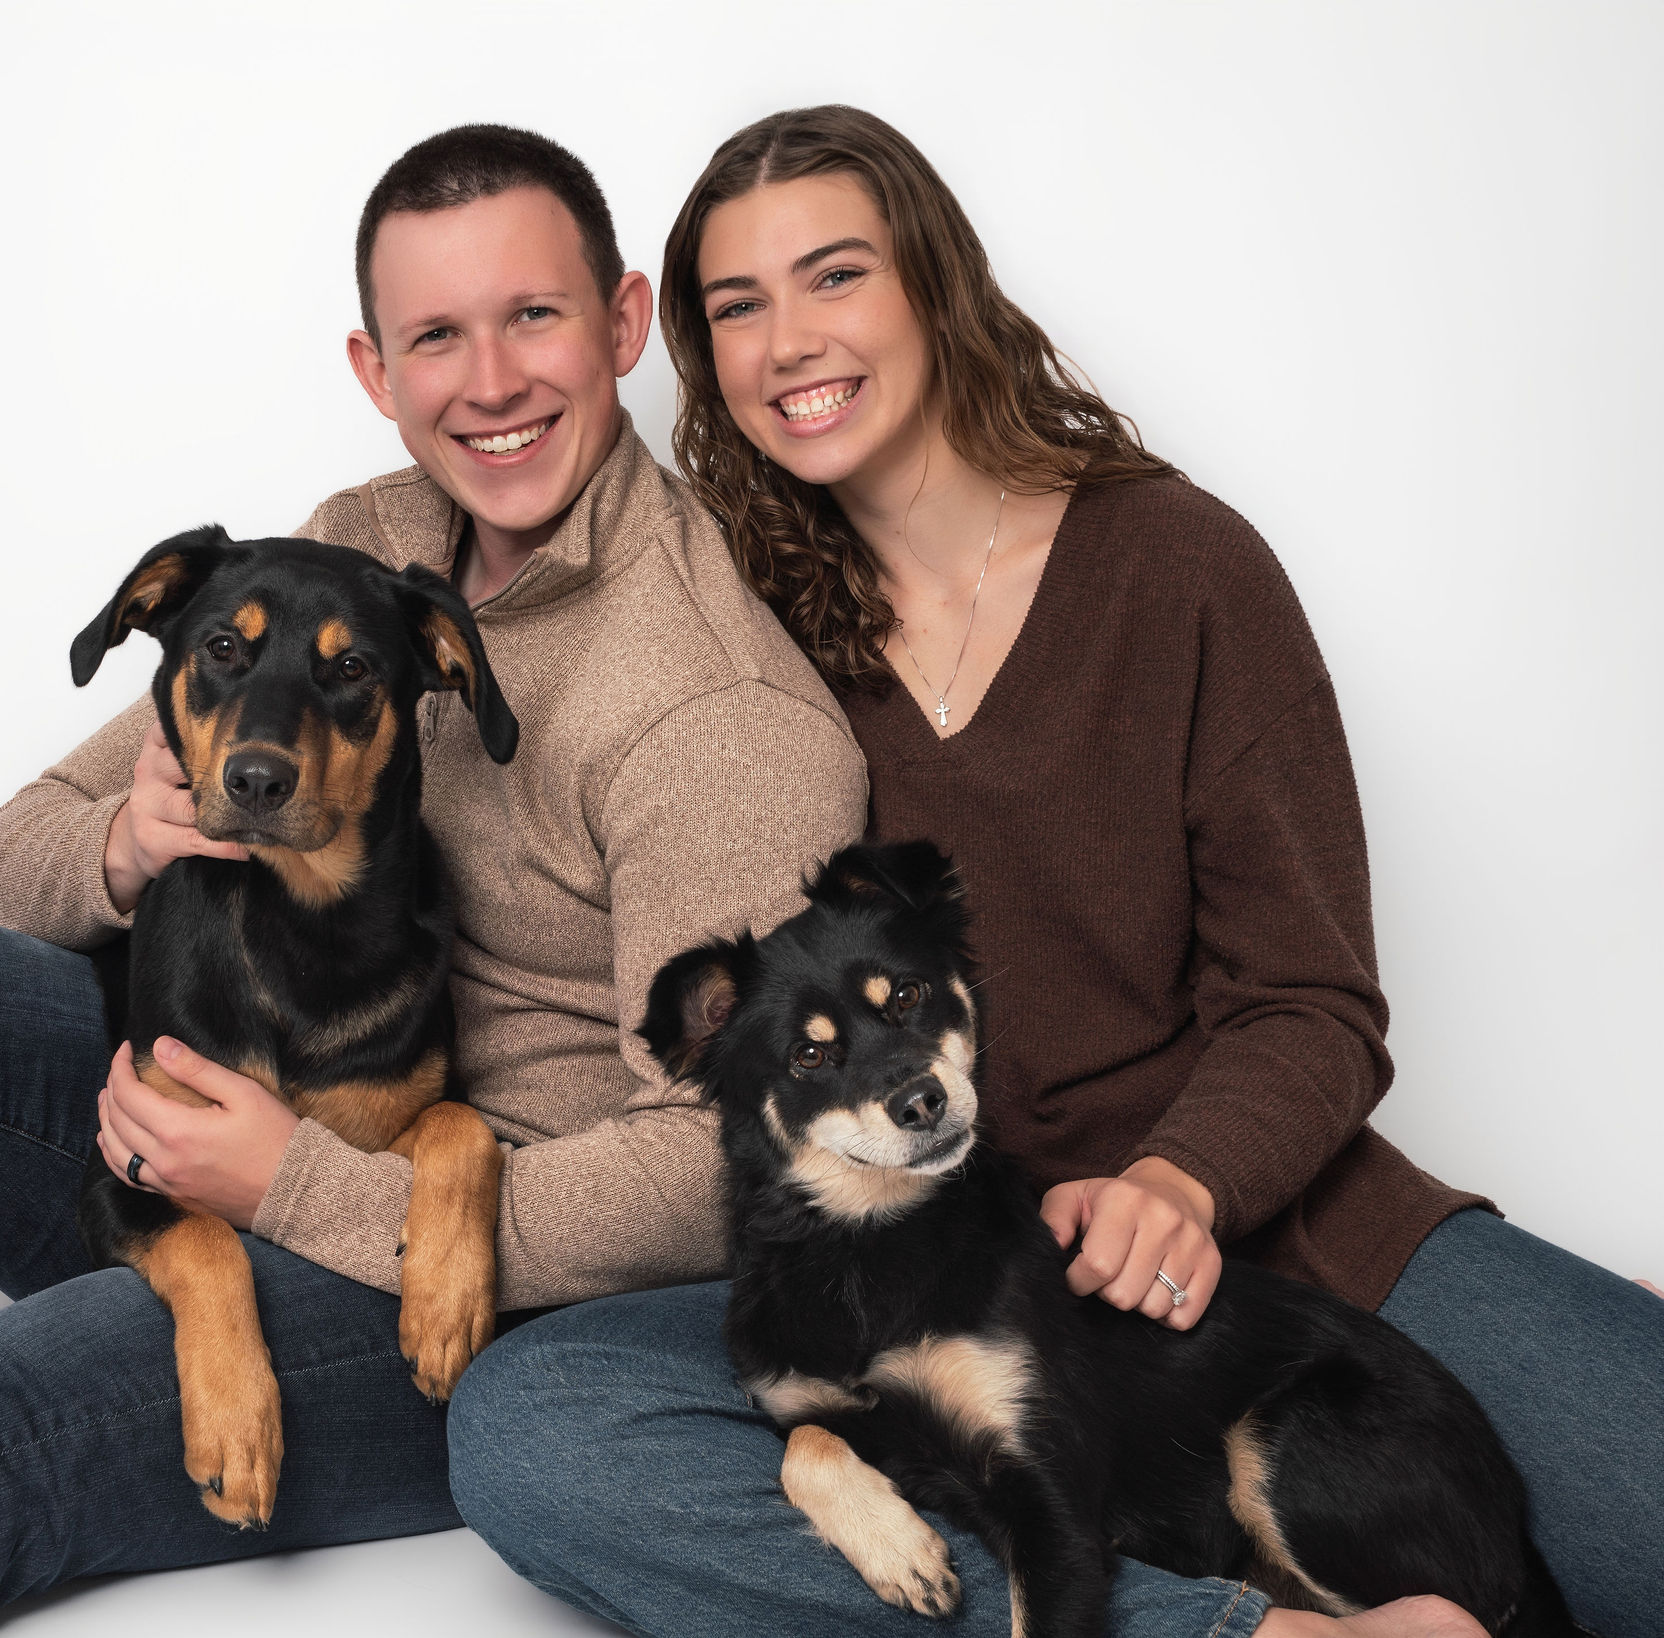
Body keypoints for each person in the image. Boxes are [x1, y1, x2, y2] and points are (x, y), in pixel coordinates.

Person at [0, 124, 865, 1637]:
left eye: (532, 317)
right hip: (223, 1102)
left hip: (475, 1292)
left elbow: (715, 1169)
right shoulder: (364, 541)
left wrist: (295, 1184)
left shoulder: (713, 709)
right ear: (374, 365)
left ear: (620, 324)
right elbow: (20, 861)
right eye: (434, 335)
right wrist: (130, 839)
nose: (488, 381)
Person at [443, 106, 1664, 1638]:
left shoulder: (1178, 564)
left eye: (833, 277)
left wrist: (1180, 1179)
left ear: (934, 287)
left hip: (1297, 1243)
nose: (786, 342)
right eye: (734, 307)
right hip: (938, 1269)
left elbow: (1312, 1001)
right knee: (533, 1424)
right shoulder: (756, 636)